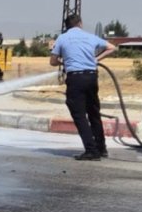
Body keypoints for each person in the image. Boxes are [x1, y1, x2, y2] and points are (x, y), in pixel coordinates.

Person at [50, 14, 118, 160]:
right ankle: (101, 148)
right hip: (92, 77)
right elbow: (112, 47)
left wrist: (65, 60)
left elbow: (53, 61)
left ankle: (91, 150)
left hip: (76, 78)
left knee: (79, 114)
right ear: (80, 24)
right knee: (94, 113)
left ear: (66, 26)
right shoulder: (89, 37)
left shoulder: (62, 38)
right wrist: (95, 59)